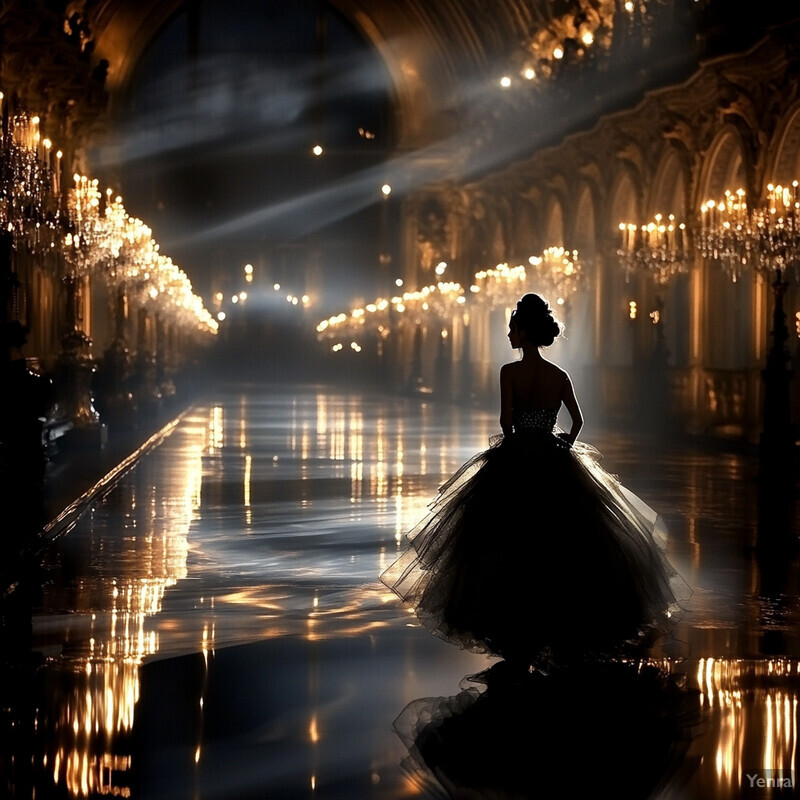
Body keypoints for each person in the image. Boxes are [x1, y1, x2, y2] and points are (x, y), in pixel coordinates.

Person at [381, 293, 687, 669]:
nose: (509, 336)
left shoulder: (509, 372)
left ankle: (518, 622)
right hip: (555, 456)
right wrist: (563, 446)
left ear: (524, 333)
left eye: (512, 330)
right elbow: (578, 422)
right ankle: (564, 618)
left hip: (517, 455)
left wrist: (515, 449)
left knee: (512, 542)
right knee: (564, 542)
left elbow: (505, 422)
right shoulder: (559, 376)